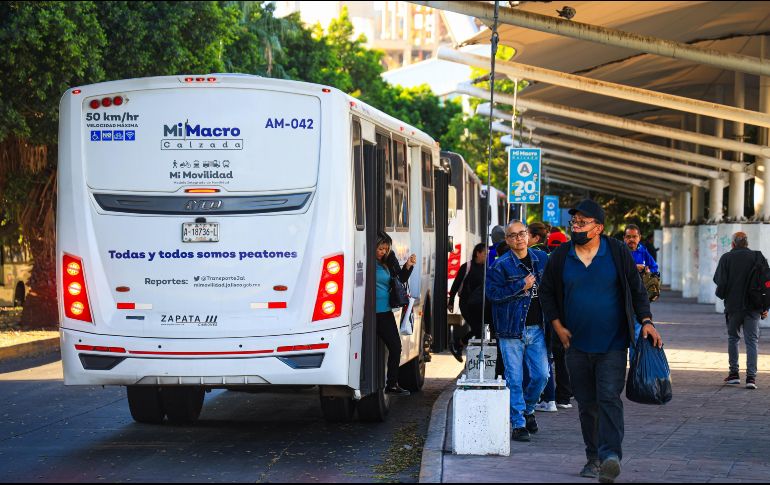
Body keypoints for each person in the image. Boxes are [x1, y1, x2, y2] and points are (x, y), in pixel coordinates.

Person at [539, 199, 663, 483]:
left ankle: (610, 457)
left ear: (599, 228)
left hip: (613, 343)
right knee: (586, 403)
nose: (576, 227)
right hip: (575, 346)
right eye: (574, 223)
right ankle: (593, 456)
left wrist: (646, 321)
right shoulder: (561, 256)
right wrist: (557, 325)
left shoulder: (618, 252)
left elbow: (637, 290)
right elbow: (546, 293)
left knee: (608, 397)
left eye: (582, 223)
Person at [486, 220, 550, 443]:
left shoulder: (541, 259)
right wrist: (519, 286)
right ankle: (518, 423)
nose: (519, 238)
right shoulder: (500, 265)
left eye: (522, 233)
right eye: (513, 236)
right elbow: (493, 295)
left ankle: (528, 409)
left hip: (537, 328)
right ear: (507, 240)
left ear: (528, 235)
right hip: (511, 330)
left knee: (542, 375)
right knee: (514, 378)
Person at [713, 231, 770, 390]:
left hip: (733, 306)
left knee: (733, 338)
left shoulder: (726, 258)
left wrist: (725, 294)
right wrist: (765, 307)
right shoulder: (758, 257)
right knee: (752, 341)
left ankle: (734, 374)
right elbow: (767, 282)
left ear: (733, 244)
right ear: (747, 243)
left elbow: (719, 280)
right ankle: (751, 378)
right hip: (753, 307)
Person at [374, 231, 416, 396]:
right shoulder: (364, 261)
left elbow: (400, 279)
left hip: (385, 312)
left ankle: (391, 384)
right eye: (380, 248)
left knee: (395, 346)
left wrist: (408, 265)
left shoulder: (386, 262)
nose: (383, 252)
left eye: (386, 249)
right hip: (370, 314)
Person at [624, 223, 661, 359]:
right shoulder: (620, 251)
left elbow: (655, 269)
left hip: (639, 299)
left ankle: (635, 363)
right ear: (624, 238)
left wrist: (647, 270)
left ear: (639, 238)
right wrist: (634, 267)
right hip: (622, 297)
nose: (631, 240)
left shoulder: (643, 251)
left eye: (634, 236)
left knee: (638, 331)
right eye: (628, 237)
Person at [448, 243, 489, 362]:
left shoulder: (486, 268)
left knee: (480, 329)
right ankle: (458, 344)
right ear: (478, 253)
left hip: (479, 304)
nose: (486, 256)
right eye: (485, 254)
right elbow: (456, 284)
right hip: (466, 304)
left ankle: (459, 345)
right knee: (478, 329)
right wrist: (451, 301)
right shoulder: (467, 267)